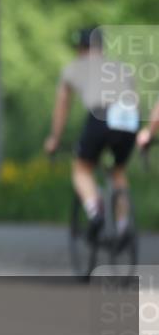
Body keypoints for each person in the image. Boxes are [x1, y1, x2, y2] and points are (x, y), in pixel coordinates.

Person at [44, 28, 139, 242]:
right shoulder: (121, 67)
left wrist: (54, 139)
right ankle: (123, 226)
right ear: (101, 47)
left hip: (101, 115)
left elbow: (62, 106)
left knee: (81, 168)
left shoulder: (75, 67)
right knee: (118, 171)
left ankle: (95, 212)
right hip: (130, 117)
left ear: (80, 49)